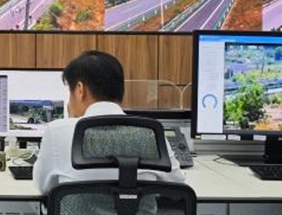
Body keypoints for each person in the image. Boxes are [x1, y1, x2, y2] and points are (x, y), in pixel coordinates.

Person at [34, 50, 186, 193]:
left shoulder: (57, 132)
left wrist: (70, 123)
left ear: (80, 89)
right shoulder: (150, 132)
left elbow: (44, 188)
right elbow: (178, 185)